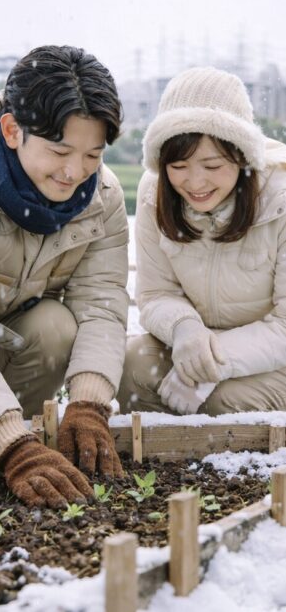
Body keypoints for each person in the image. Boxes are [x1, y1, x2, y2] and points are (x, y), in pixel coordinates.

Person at [0, 45, 129, 508]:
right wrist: (11, 445)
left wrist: (89, 404)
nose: (74, 172)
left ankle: (26, 436)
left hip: (14, 341)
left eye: (92, 154)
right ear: (12, 131)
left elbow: (101, 303)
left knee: (54, 326)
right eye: (60, 151)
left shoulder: (102, 197)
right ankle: (3, 442)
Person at [118, 67, 286, 415]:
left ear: (241, 156)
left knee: (223, 402)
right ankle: (163, 447)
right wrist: (185, 329)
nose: (195, 183)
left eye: (211, 166)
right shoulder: (153, 194)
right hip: (195, 343)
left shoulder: (280, 198)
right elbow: (156, 293)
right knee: (132, 367)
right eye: (179, 166)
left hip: (275, 358)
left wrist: (214, 362)